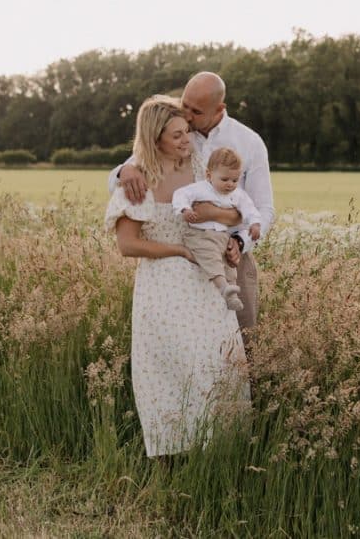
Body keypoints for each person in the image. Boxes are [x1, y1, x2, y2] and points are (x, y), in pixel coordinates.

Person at [104, 95, 249, 457]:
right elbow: (128, 244)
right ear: (155, 140)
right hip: (163, 287)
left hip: (207, 284)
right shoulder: (138, 179)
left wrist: (229, 239)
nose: (187, 141)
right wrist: (180, 250)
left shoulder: (202, 166)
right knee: (171, 369)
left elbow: (236, 214)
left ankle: (222, 452)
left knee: (216, 364)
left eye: (187, 132)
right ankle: (172, 457)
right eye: (177, 136)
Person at [111, 71, 274, 334]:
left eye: (195, 111)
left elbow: (264, 208)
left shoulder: (249, 143)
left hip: (233, 256)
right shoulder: (177, 130)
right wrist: (123, 171)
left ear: (219, 108)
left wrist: (241, 242)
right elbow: (136, 170)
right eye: (184, 104)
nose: (186, 115)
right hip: (183, 258)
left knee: (241, 340)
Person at [172, 147, 262, 312]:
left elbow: (250, 209)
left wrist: (255, 223)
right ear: (209, 175)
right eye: (225, 179)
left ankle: (232, 295)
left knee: (229, 264)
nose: (230, 184)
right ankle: (223, 287)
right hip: (200, 235)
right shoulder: (200, 188)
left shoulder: (238, 195)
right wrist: (185, 209)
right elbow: (180, 194)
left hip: (222, 236)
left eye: (235, 180)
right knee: (211, 257)